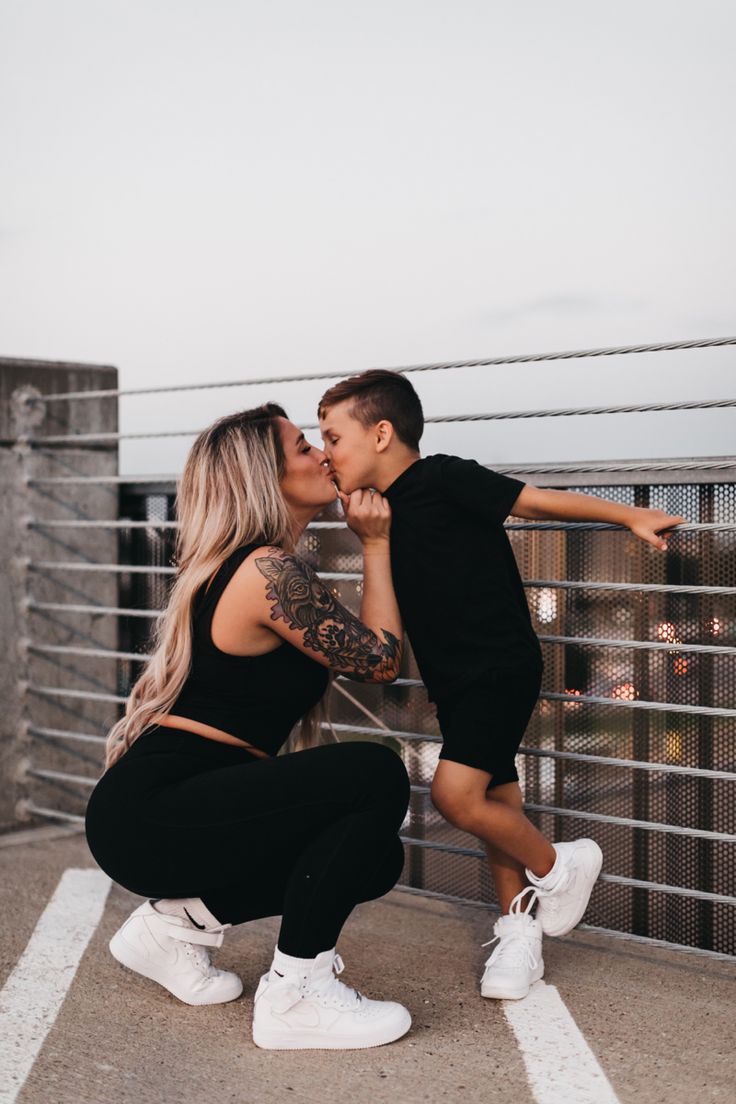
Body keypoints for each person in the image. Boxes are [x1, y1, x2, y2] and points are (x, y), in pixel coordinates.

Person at [317, 369, 687, 1001]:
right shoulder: (379, 518)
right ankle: (519, 937)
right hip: (455, 680)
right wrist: (368, 539)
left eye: (331, 438)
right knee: (497, 803)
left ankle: (559, 865)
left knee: (456, 797)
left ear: (381, 434)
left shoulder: (444, 477)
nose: (326, 455)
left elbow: (536, 502)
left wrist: (628, 516)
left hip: (500, 665)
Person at [84, 402, 413, 1051]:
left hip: (165, 810)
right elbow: (379, 660)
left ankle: (174, 927)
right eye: (301, 448)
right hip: (156, 810)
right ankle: (296, 993)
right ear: (265, 474)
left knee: (373, 856)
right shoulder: (265, 569)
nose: (321, 454)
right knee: (374, 773)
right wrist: (377, 543)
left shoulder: (253, 565)